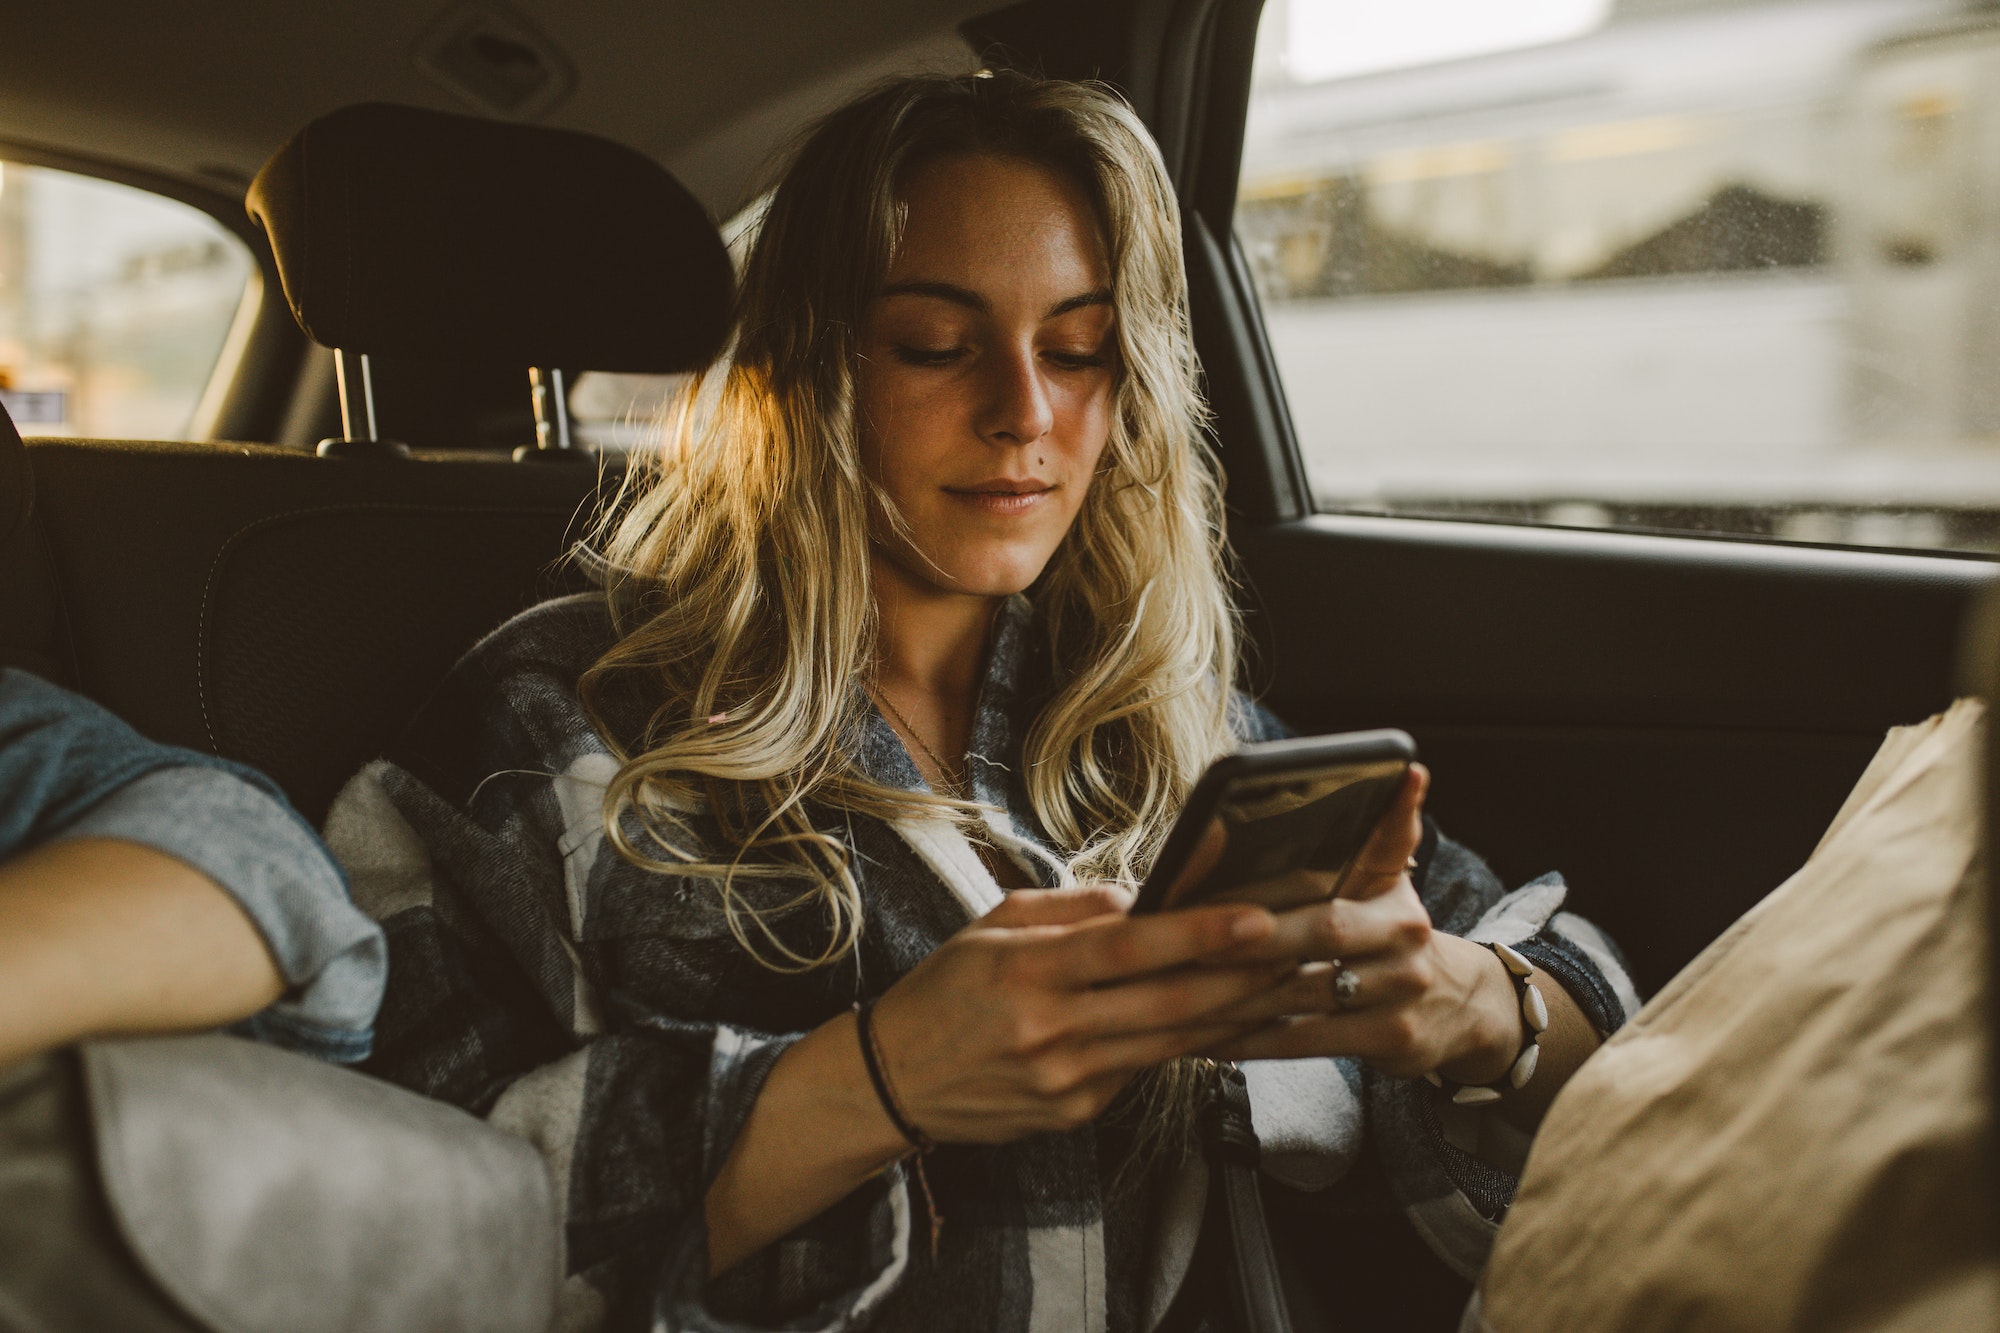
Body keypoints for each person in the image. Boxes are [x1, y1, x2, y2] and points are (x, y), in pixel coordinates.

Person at [328, 71, 1636, 1332]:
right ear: (810, 368)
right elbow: (369, 1219)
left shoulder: (1168, 725)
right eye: (937, 344)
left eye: (1077, 348)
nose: (1025, 412)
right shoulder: (563, 720)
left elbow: (1599, 1004)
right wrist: (871, 1079)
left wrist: (1467, 1005)